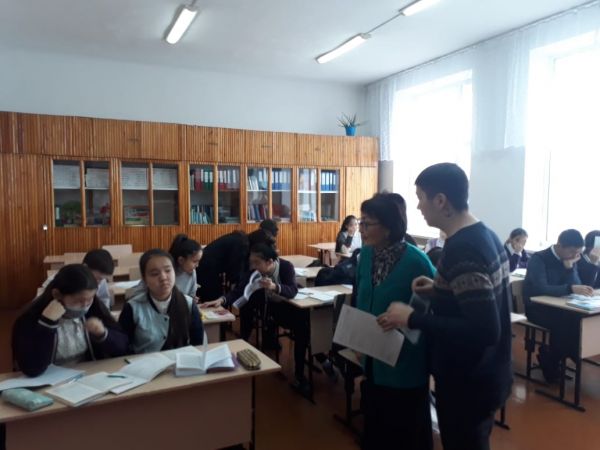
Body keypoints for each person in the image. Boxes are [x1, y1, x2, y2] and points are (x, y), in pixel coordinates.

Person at [383, 163, 513, 450]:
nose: (418, 206)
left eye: (421, 198)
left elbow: (484, 329)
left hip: (468, 382)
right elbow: (479, 298)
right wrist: (439, 289)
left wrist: (412, 318)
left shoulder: (463, 249)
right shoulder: (485, 234)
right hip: (489, 372)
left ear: (441, 200)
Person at [355, 193, 434, 450]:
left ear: (388, 227)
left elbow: (433, 311)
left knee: (404, 435)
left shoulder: (416, 262)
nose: (361, 229)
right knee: (375, 429)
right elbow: (360, 297)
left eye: (367, 223)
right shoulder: (366, 255)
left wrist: (405, 318)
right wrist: (358, 341)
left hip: (405, 365)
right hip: (372, 360)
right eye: (361, 222)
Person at [12, 264, 128, 376]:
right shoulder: (29, 319)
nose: (85, 305)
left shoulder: (94, 309)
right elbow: (32, 368)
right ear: (57, 294)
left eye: (90, 299)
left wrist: (103, 334)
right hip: (48, 379)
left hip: (88, 375)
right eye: (79, 300)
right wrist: (47, 324)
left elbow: (123, 348)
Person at [523, 229, 593, 382]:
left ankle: (551, 357)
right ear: (559, 245)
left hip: (559, 307)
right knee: (565, 324)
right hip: (536, 308)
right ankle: (556, 358)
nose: (575, 256)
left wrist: (570, 268)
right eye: (572, 251)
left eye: (578, 252)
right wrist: (570, 288)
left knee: (577, 320)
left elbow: (576, 284)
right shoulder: (539, 259)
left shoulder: (569, 259)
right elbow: (541, 288)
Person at [119, 249, 204, 354]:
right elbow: (123, 347)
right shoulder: (132, 307)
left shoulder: (188, 304)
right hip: (144, 362)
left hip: (179, 362)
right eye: (155, 274)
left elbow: (198, 344)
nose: (163, 277)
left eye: (168, 271)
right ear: (144, 279)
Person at [196, 229, 274, 302]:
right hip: (206, 269)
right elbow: (235, 270)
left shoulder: (241, 239)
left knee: (216, 298)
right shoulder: (242, 244)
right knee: (213, 299)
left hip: (206, 267)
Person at [42, 248, 116, 310]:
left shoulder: (101, 281)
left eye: (102, 279)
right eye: (97, 278)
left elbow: (104, 299)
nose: (99, 283)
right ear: (85, 267)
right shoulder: (58, 280)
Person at [169, 234, 203, 301]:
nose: (197, 265)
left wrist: (192, 300)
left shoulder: (192, 272)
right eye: (195, 261)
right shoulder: (167, 273)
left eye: (198, 261)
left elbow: (192, 296)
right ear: (181, 260)